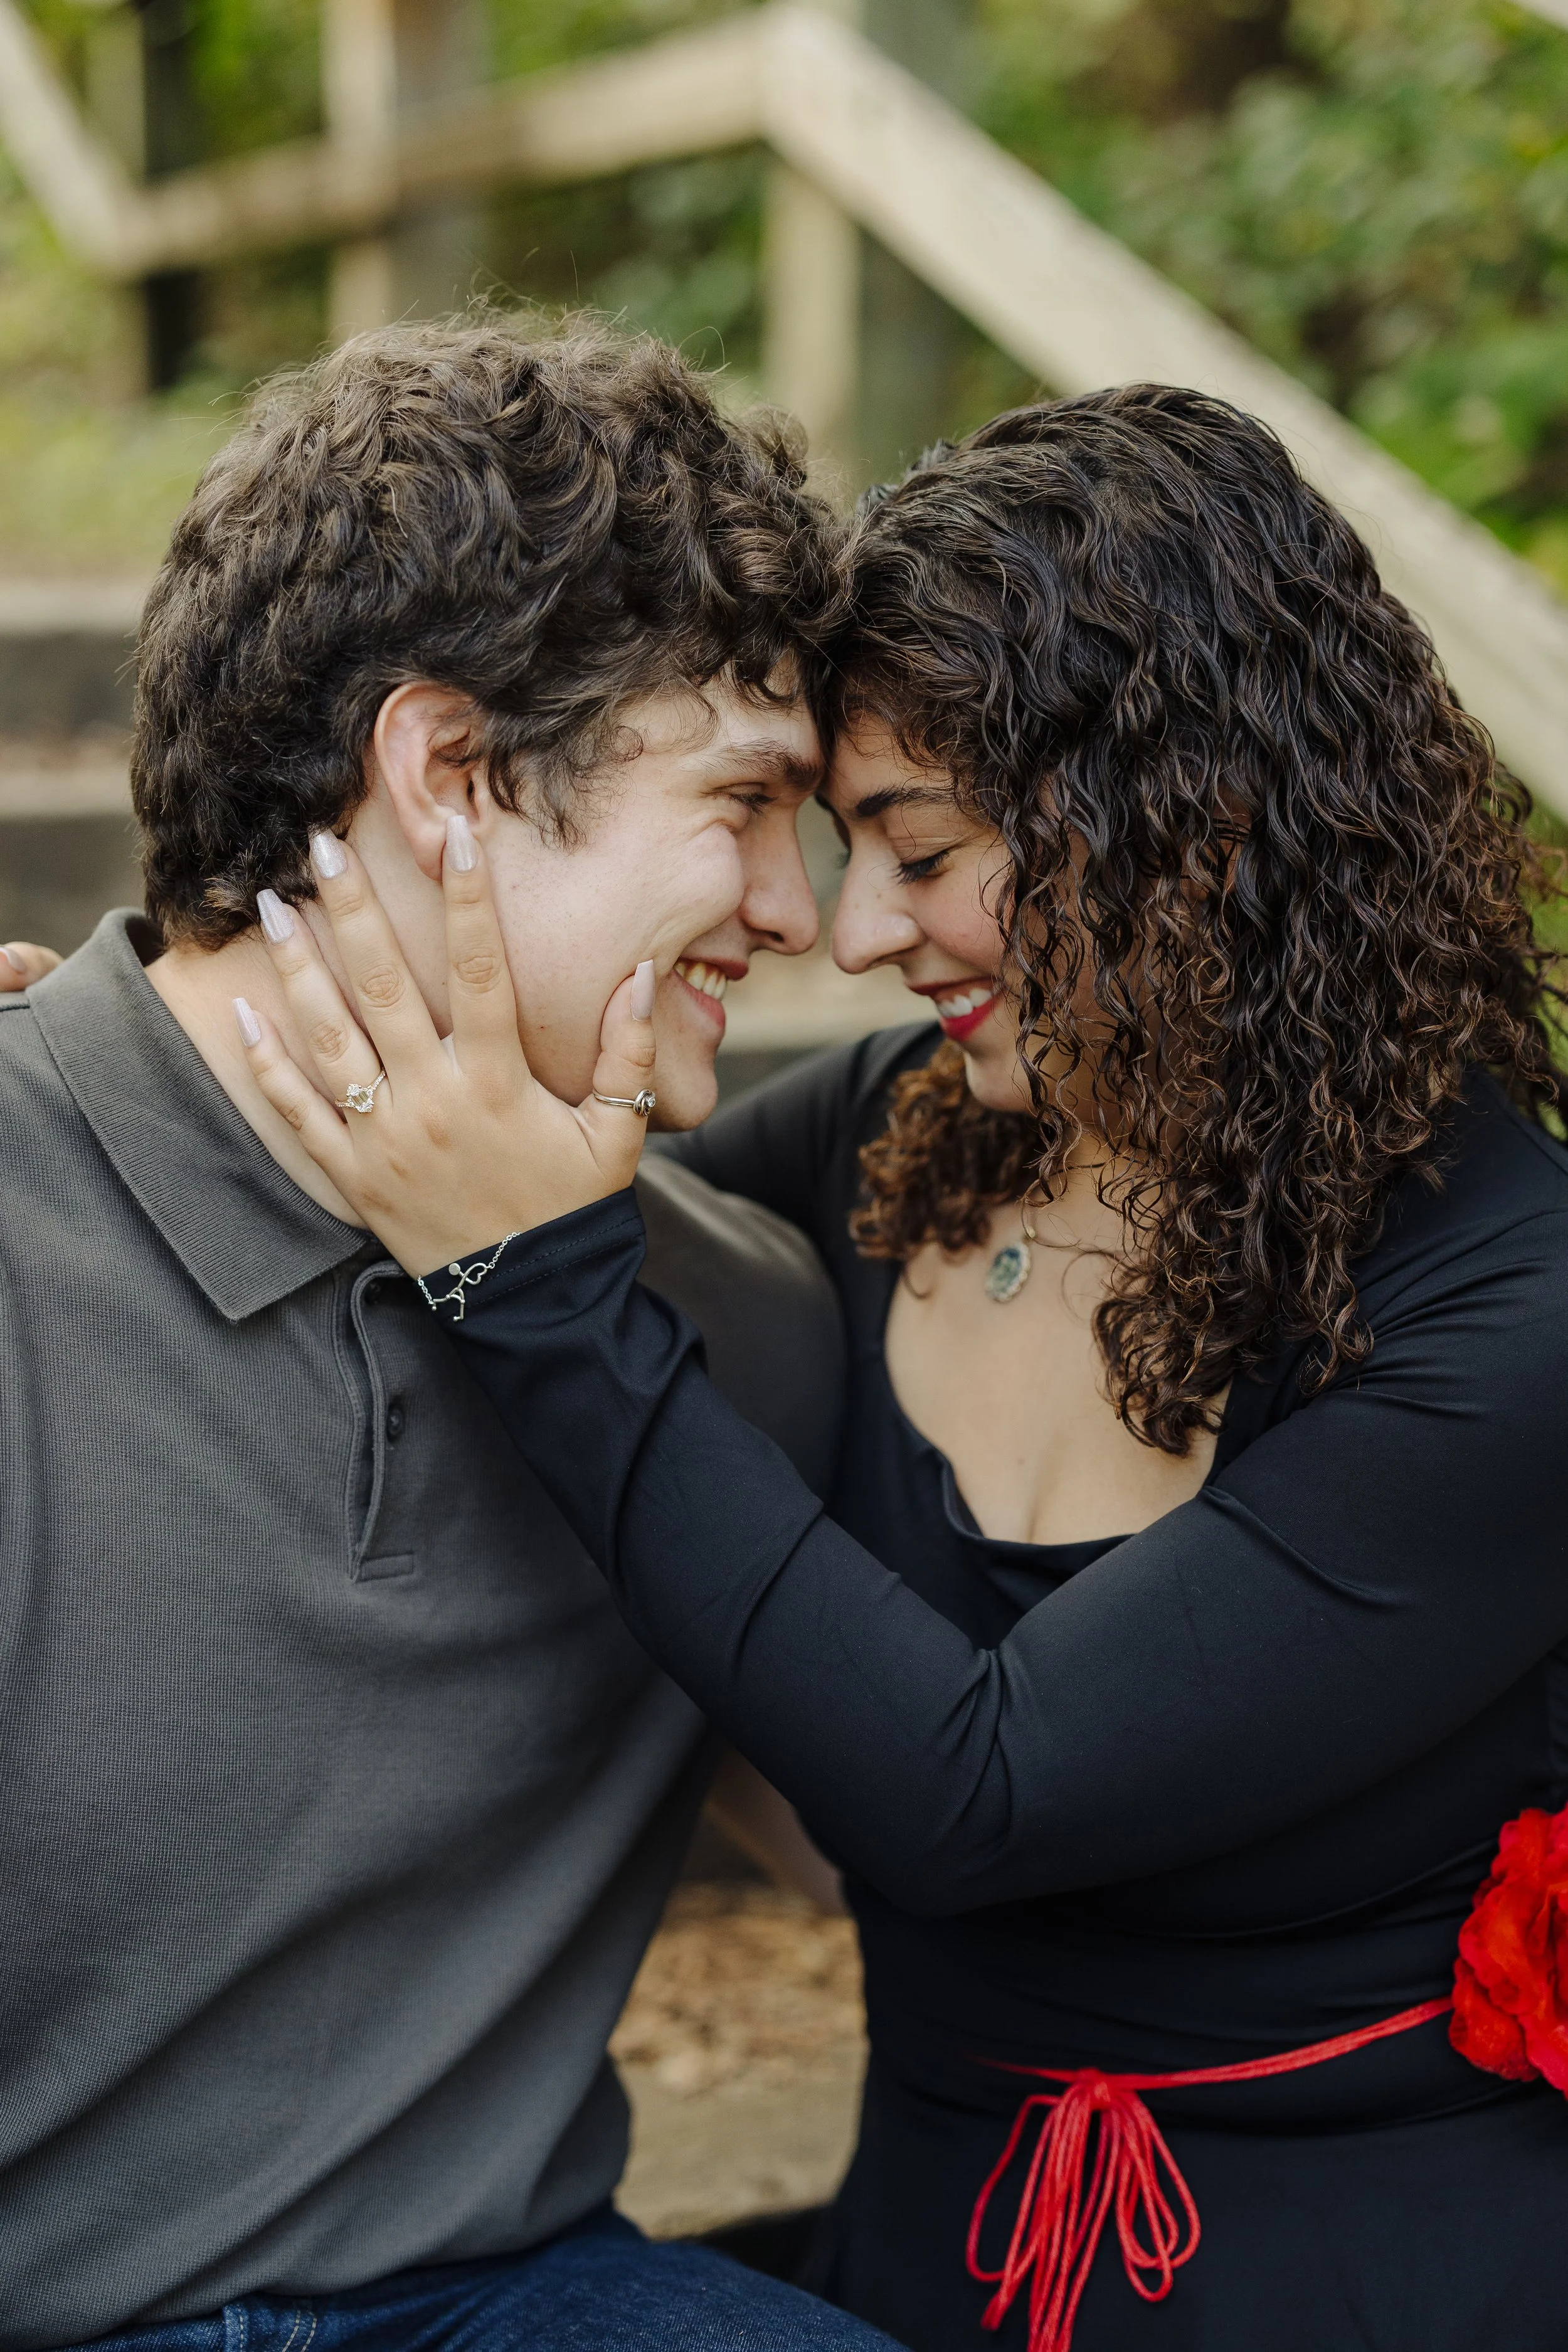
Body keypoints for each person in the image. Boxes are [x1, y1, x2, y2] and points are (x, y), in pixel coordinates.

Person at [244, 385, 1568, 2352]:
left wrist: (540, 1280)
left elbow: (978, 1781)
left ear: (1186, 826)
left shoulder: (1509, 1312)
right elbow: (468, 1164)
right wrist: (164, 1049)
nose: (852, 932)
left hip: (1360, 2278)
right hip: (914, 2258)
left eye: (917, 849)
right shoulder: (898, 1136)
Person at [0, 317, 903, 2352]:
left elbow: (944, 1840)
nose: (806, 907)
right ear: (453, 776)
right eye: (746, 802)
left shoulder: (731, 1323)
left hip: (499, 2297)